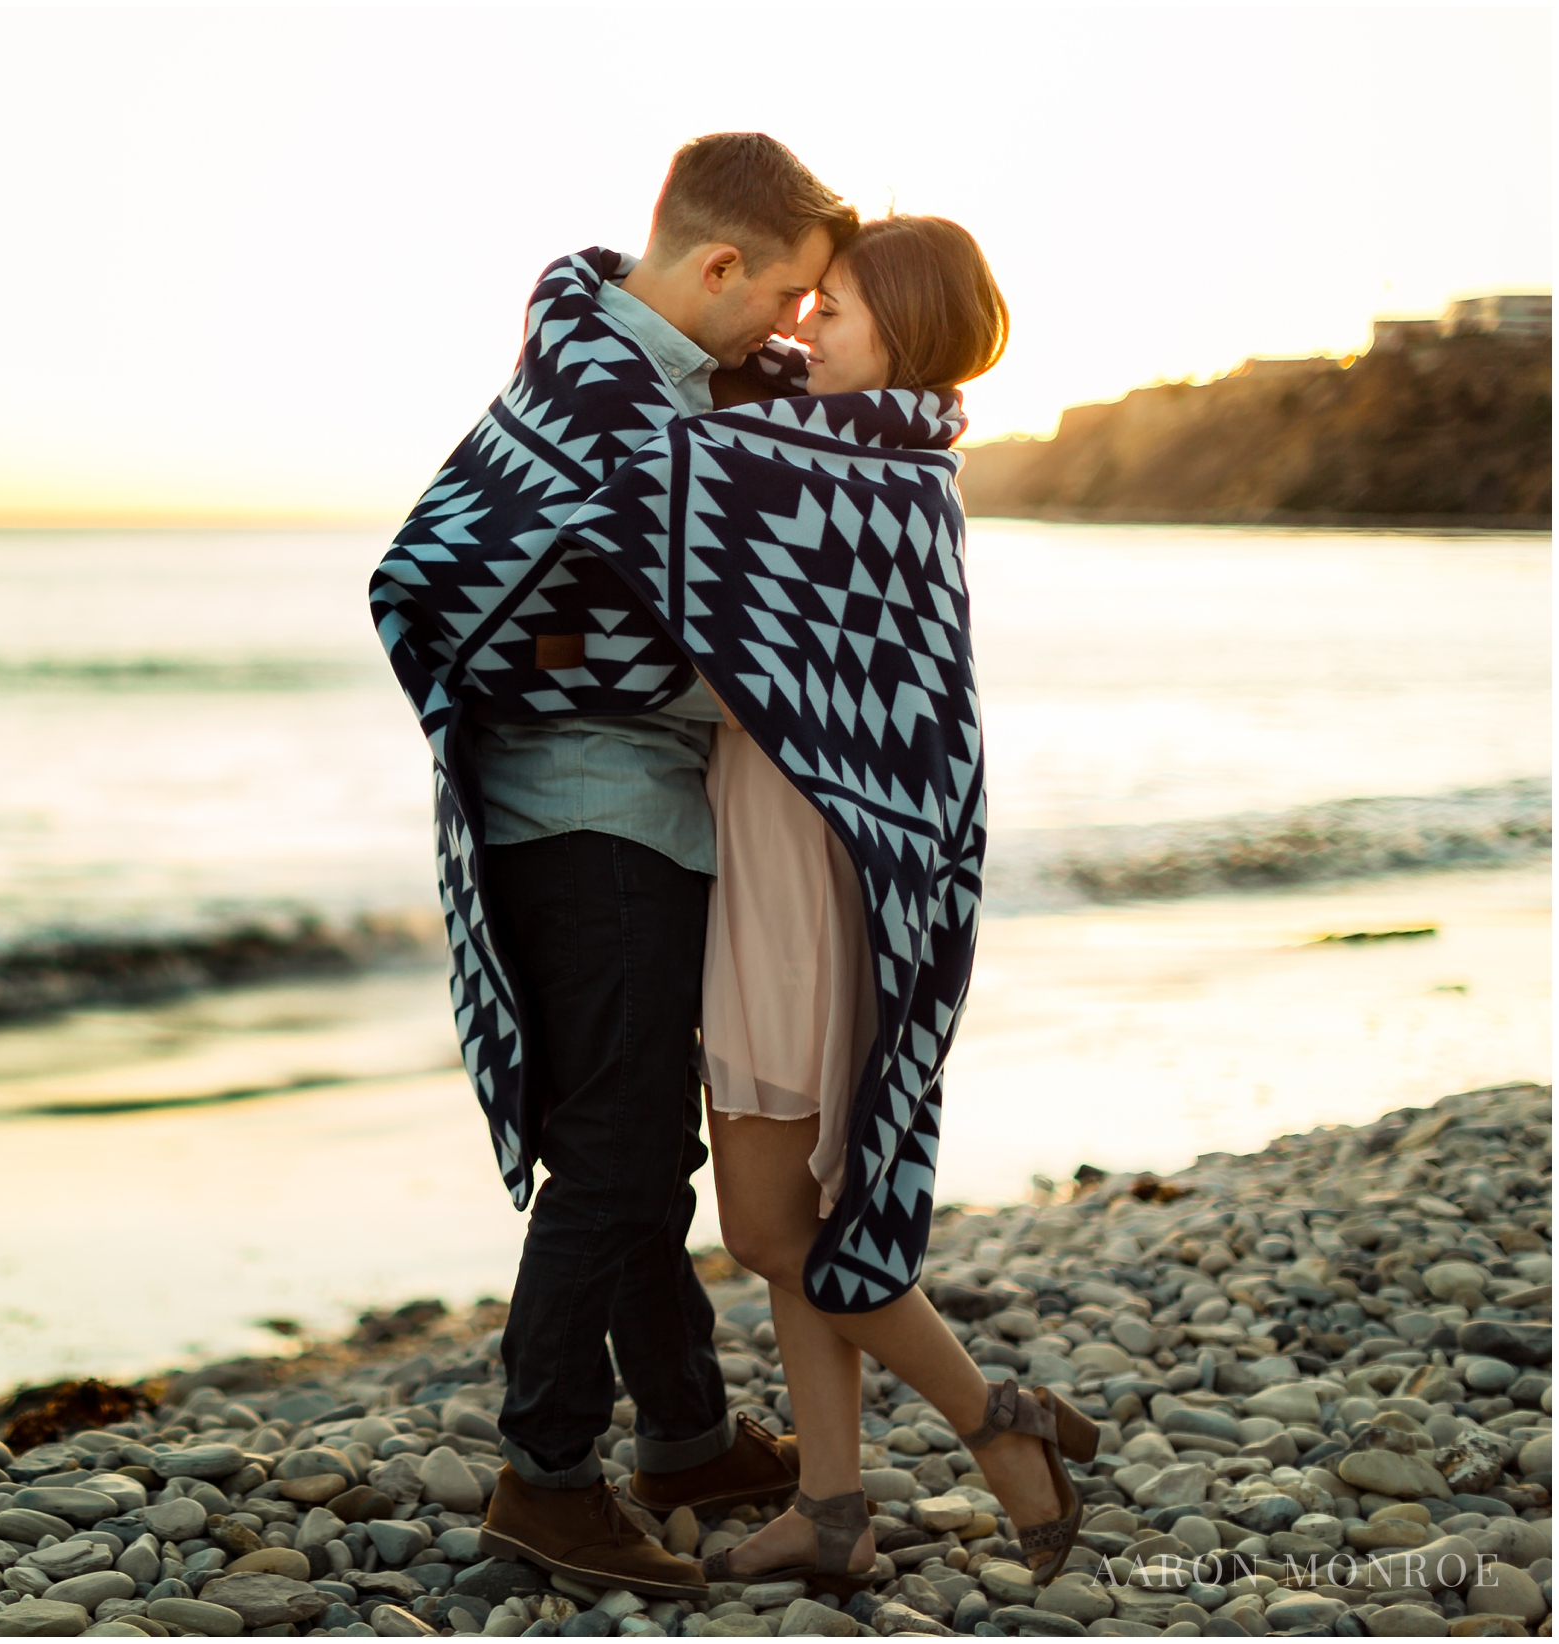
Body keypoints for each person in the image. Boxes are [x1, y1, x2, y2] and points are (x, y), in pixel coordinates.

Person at [453, 136, 857, 1599]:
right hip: (586, 813)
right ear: (720, 265)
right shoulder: (610, 397)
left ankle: (683, 1436)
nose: (798, 327)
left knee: (632, 1142)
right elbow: (444, 574)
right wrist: (597, 673)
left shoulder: (676, 380)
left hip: (633, 809)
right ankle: (544, 1477)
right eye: (793, 296)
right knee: (620, 1154)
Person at [690, 216, 1100, 1595]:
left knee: (777, 1220)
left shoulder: (879, 480)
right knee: (776, 1222)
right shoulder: (830, 449)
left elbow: (659, 497)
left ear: (905, 335)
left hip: (826, 869)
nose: (807, 330)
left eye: (839, 312)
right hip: (768, 847)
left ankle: (994, 1424)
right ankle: (838, 1504)